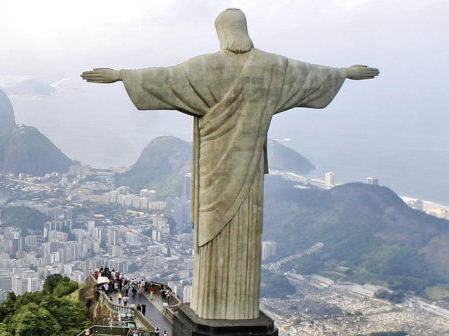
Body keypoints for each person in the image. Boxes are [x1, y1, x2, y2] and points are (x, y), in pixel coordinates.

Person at [81, 8, 378, 320]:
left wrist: (121, 75)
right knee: (245, 237)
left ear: (221, 32)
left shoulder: (206, 67)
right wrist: (343, 72)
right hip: (249, 172)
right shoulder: (271, 67)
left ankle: (212, 307)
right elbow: (310, 75)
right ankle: (240, 308)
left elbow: (164, 78)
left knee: (213, 236)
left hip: (214, 171)